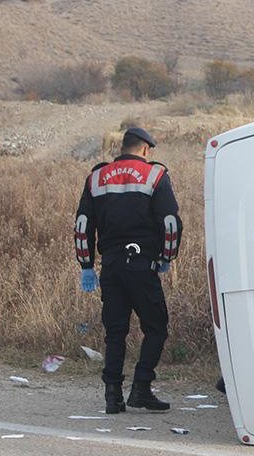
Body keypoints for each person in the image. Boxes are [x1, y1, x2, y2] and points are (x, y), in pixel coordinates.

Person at [73, 127, 181, 413]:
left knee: (116, 332)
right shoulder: (155, 176)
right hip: (143, 266)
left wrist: (86, 265)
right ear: (145, 149)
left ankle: (112, 395)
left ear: (123, 147)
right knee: (156, 328)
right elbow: (170, 223)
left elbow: (82, 226)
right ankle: (141, 388)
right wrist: (166, 258)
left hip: (111, 268)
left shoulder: (96, 177)